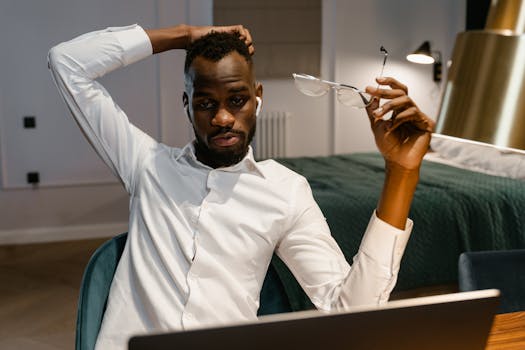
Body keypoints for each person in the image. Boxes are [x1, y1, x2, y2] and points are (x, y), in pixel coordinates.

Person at [48, 23, 434, 350]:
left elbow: (352, 312)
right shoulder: (146, 165)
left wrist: (401, 173)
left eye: (237, 100)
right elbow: (67, 63)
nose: (222, 118)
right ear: (186, 103)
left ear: (257, 99)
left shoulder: (285, 191)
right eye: (205, 103)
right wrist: (184, 35)